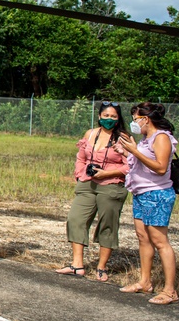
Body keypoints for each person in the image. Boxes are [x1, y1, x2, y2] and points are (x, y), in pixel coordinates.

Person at [114, 102, 179, 305]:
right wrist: (126, 151)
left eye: (136, 119)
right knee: (143, 237)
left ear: (147, 118)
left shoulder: (161, 138)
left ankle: (170, 291)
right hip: (141, 193)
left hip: (157, 194)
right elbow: (140, 162)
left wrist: (135, 151)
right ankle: (145, 281)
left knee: (160, 241)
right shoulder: (145, 139)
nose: (134, 123)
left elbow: (160, 168)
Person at [55, 101, 129, 280]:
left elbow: (130, 166)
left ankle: (102, 267)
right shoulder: (90, 134)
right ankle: (77, 265)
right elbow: (81, 157)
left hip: (111, 185)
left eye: (113, 117)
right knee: (75, 219)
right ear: (99, 117)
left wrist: (107, 173)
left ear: (118, 119)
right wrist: (80, 174)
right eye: (106, 116)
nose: (109, 119)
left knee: (107, 225)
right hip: (88, 183)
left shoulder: (124, 138)